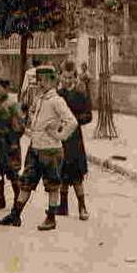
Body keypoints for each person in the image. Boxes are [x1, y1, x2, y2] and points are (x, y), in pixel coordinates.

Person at [0, 66, 78, 230]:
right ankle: (15, 215)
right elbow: (34, 117)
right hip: (35, 148)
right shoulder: (40, 98)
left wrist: (59, 136)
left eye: (44, 80)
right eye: (39, 80)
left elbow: (72, 122)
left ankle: (51, 218)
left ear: (53, 81)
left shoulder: (57, 100)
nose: (40, 83)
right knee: (26, 182)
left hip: (51, 150)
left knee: (52, 185)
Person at [58, 60, 93, 220]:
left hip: (74, 138)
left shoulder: (80, 95)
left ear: (75, 77)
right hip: (60, 138)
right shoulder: (57, 95)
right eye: (64, 77)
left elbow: (88, 116)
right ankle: (63, 206)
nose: (67, 80)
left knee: (77, 174)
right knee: (61, 172)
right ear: (60, 76)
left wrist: (74, 120)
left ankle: (82, 207)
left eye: (70, 77)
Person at [0, 78, 25, 210]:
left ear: (6, 89)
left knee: (13, 173)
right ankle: (0, 198)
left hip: (9, 144)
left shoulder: (12, 105)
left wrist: (11, 138)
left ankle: (18, 201)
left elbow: (19, 126)